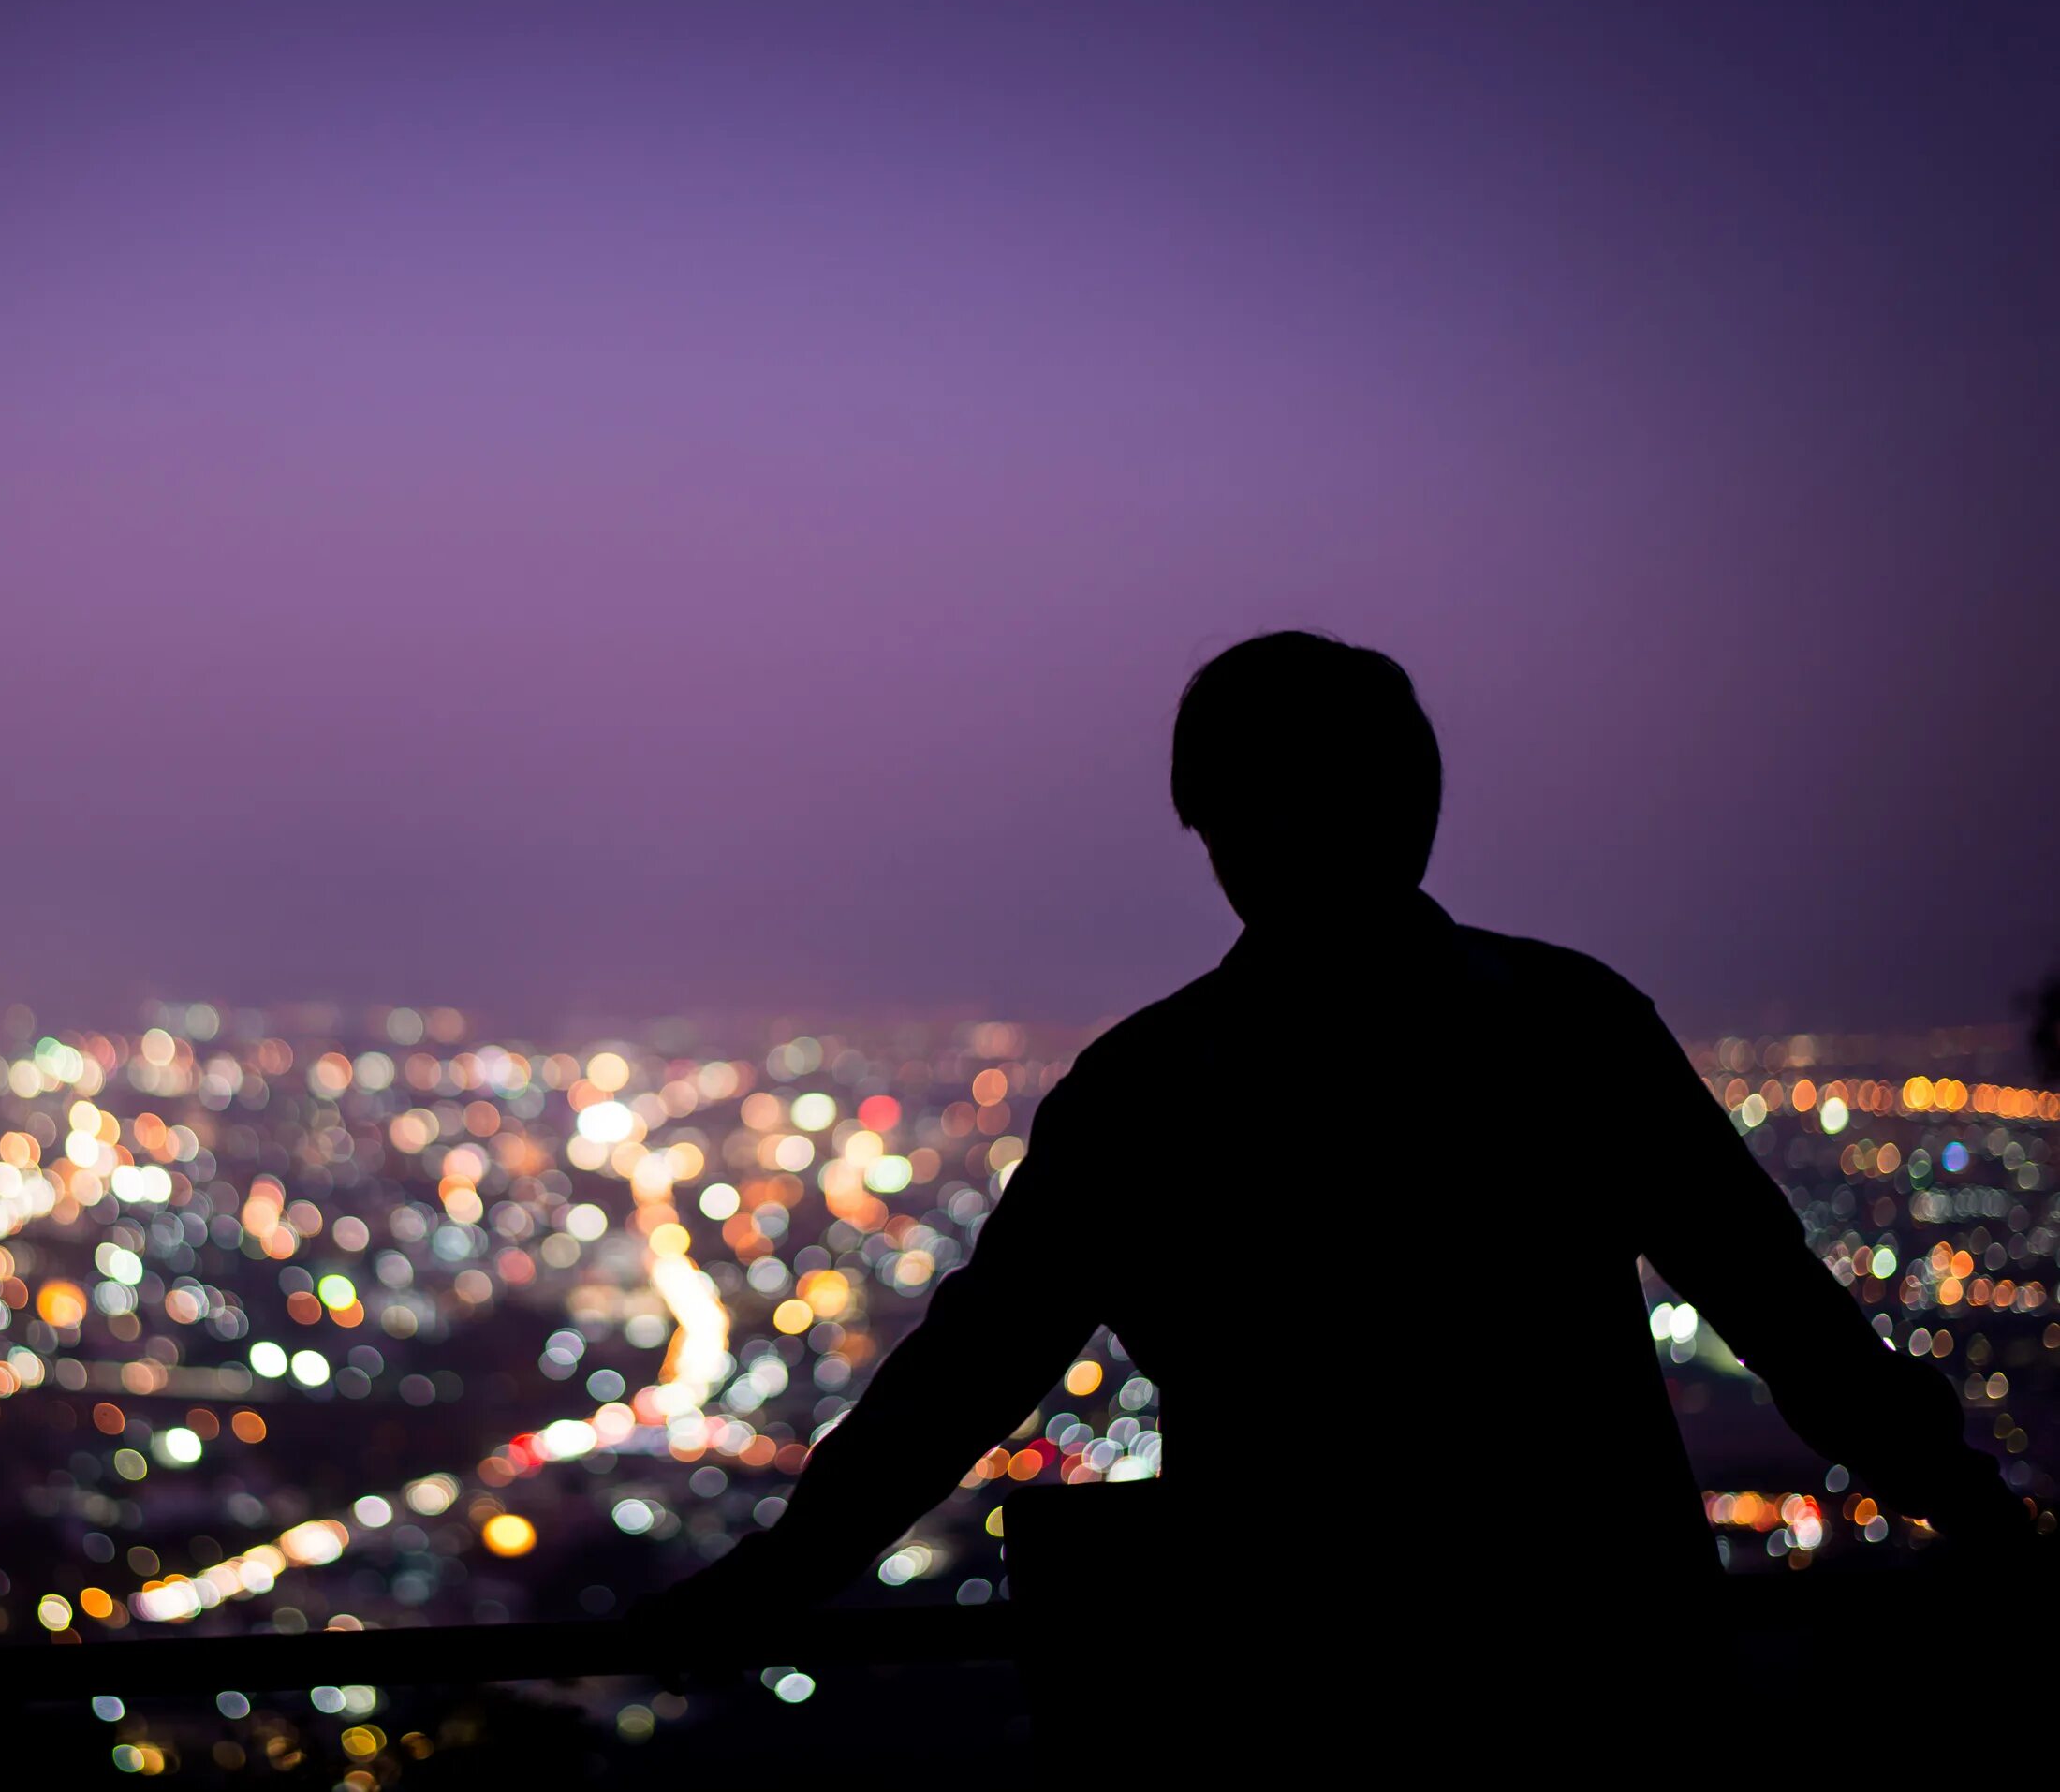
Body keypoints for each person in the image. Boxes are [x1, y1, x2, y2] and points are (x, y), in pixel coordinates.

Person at [645, 631, 2030, 1714]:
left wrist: (779, 1575)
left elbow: (971, 1368)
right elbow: (1773, 1293)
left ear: (1210, 828)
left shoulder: (1152, 1089)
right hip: (1591, 1641)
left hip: (1282, 1675)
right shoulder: (1566, 1024)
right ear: (1417, 809)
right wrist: (1958, 1493)